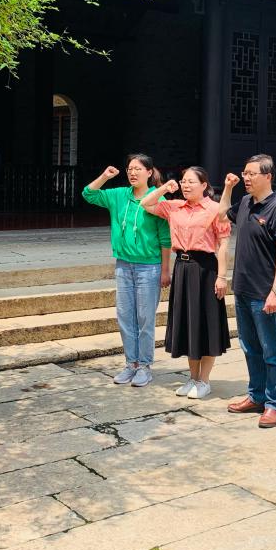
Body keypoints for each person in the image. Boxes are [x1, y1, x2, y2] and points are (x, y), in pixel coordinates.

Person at [218, 155, 276, 429]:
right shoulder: (246, 202)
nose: (246, 178)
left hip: (264, 293)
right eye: (245, 173)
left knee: (271, 351)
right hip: (242, 289)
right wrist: (228, 188)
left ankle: (275, 404)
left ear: (268, 176)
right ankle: (257, 396)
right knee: (250, 347)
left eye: (252, 174)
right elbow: (221, 214)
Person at [83, 155, 172, 387]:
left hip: (149, 267)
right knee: (125, 316)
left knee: (145, 318)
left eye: (138, 169)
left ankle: (144, 366)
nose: (132, 173)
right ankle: (131, 364)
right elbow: (88, 194)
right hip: (123, 265)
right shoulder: (119, 195)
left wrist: (165, 270)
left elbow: (165, 239)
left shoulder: (157, 198)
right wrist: (105, 176)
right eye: (130, 169)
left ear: (149, 172)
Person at [142, 167, 231, 399]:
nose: (185, 185)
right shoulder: (174, 206)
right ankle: (192, 378)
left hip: (205, 269)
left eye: (191, 181)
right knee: (189, 324)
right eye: (183, 181)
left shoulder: (215, 209)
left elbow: (223, 244)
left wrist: (222, 276)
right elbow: (146, 203)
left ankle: (204, 380)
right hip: (182, 267)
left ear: (204, 185)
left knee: (206, 324)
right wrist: (164, 188)